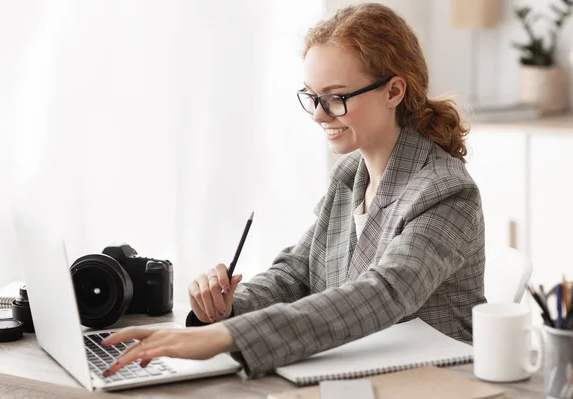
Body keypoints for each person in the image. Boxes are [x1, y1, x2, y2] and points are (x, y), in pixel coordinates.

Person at [102, 3, 486, 379]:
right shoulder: (350, 176)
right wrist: (230, 307)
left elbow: (383, 295)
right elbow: (298, 273)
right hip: (350, 374)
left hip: (434, 383)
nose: (319, 114)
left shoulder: (445, 191)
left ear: (394, 91)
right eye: (313, 97)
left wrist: (226, 336)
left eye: (335, 98)